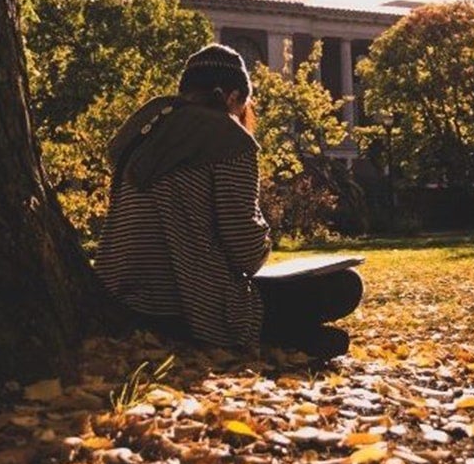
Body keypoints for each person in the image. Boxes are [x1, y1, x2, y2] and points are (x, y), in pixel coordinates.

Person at [95, 44, 362, 358]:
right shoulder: (228, 138)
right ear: (232, 96)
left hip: (119, 298)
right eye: (242, 104)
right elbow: (246, 252)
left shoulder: (141, 134)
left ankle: (291, 339)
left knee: (323, 336)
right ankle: (271, 339)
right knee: (344, 287)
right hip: (188, 305)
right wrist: (263, 242)